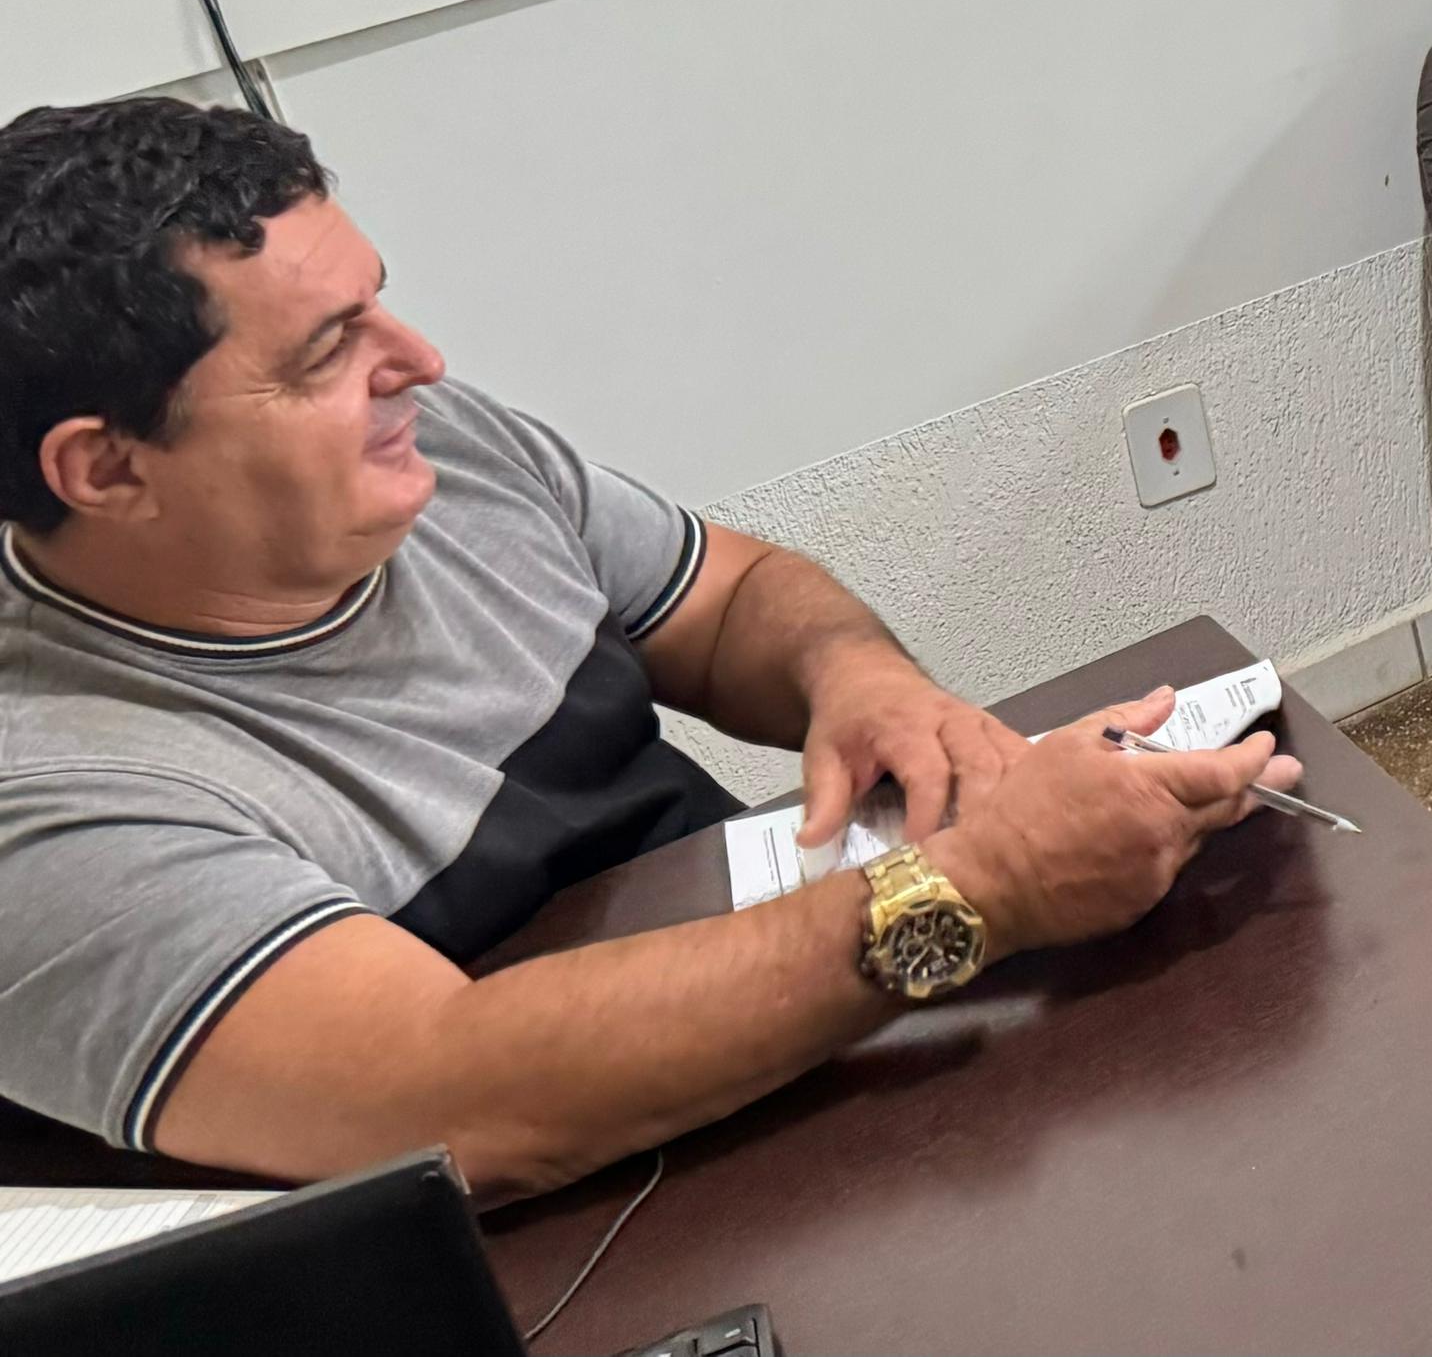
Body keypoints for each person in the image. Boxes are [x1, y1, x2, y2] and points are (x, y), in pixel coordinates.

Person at [0, 98, 1296, 1197]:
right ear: (107, 470)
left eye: (374, 304)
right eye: (327, 350)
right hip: (564, 1237)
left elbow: (732, 598)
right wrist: (983, 893)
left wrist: (858, 675)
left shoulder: (431, 447)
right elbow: (456, 1104)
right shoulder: (50, 798)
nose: (419, 362)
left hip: (800, 1041)